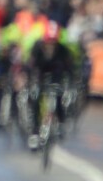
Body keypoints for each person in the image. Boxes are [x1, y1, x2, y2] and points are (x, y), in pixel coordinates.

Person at [25, 21, 78, 149]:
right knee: (35, 98)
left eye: (53, 43)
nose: (50, 46)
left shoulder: (63, 50)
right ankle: (34, 132)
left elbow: (70, 68)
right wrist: (29, 78)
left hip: (56, 77)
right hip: (41, 77)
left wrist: (71, 83)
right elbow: (30, 66)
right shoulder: (37, 48)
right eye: (48, 42)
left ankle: (60, 122)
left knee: (59, 97)